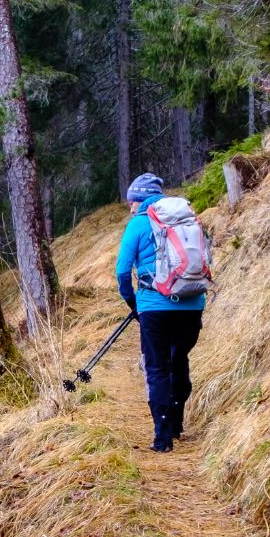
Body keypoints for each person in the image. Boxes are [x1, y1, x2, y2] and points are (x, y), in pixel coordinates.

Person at [115, 173, 206, 452]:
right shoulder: (187, 220)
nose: (130, 206)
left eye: (132, 201)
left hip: (154, 307)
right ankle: (177, 422)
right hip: (192, 304)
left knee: (157, 367)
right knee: (179, 359)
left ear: (140, 200)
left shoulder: (138, 224)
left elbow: (122, 271)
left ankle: (163, 436)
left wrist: (133, 302)